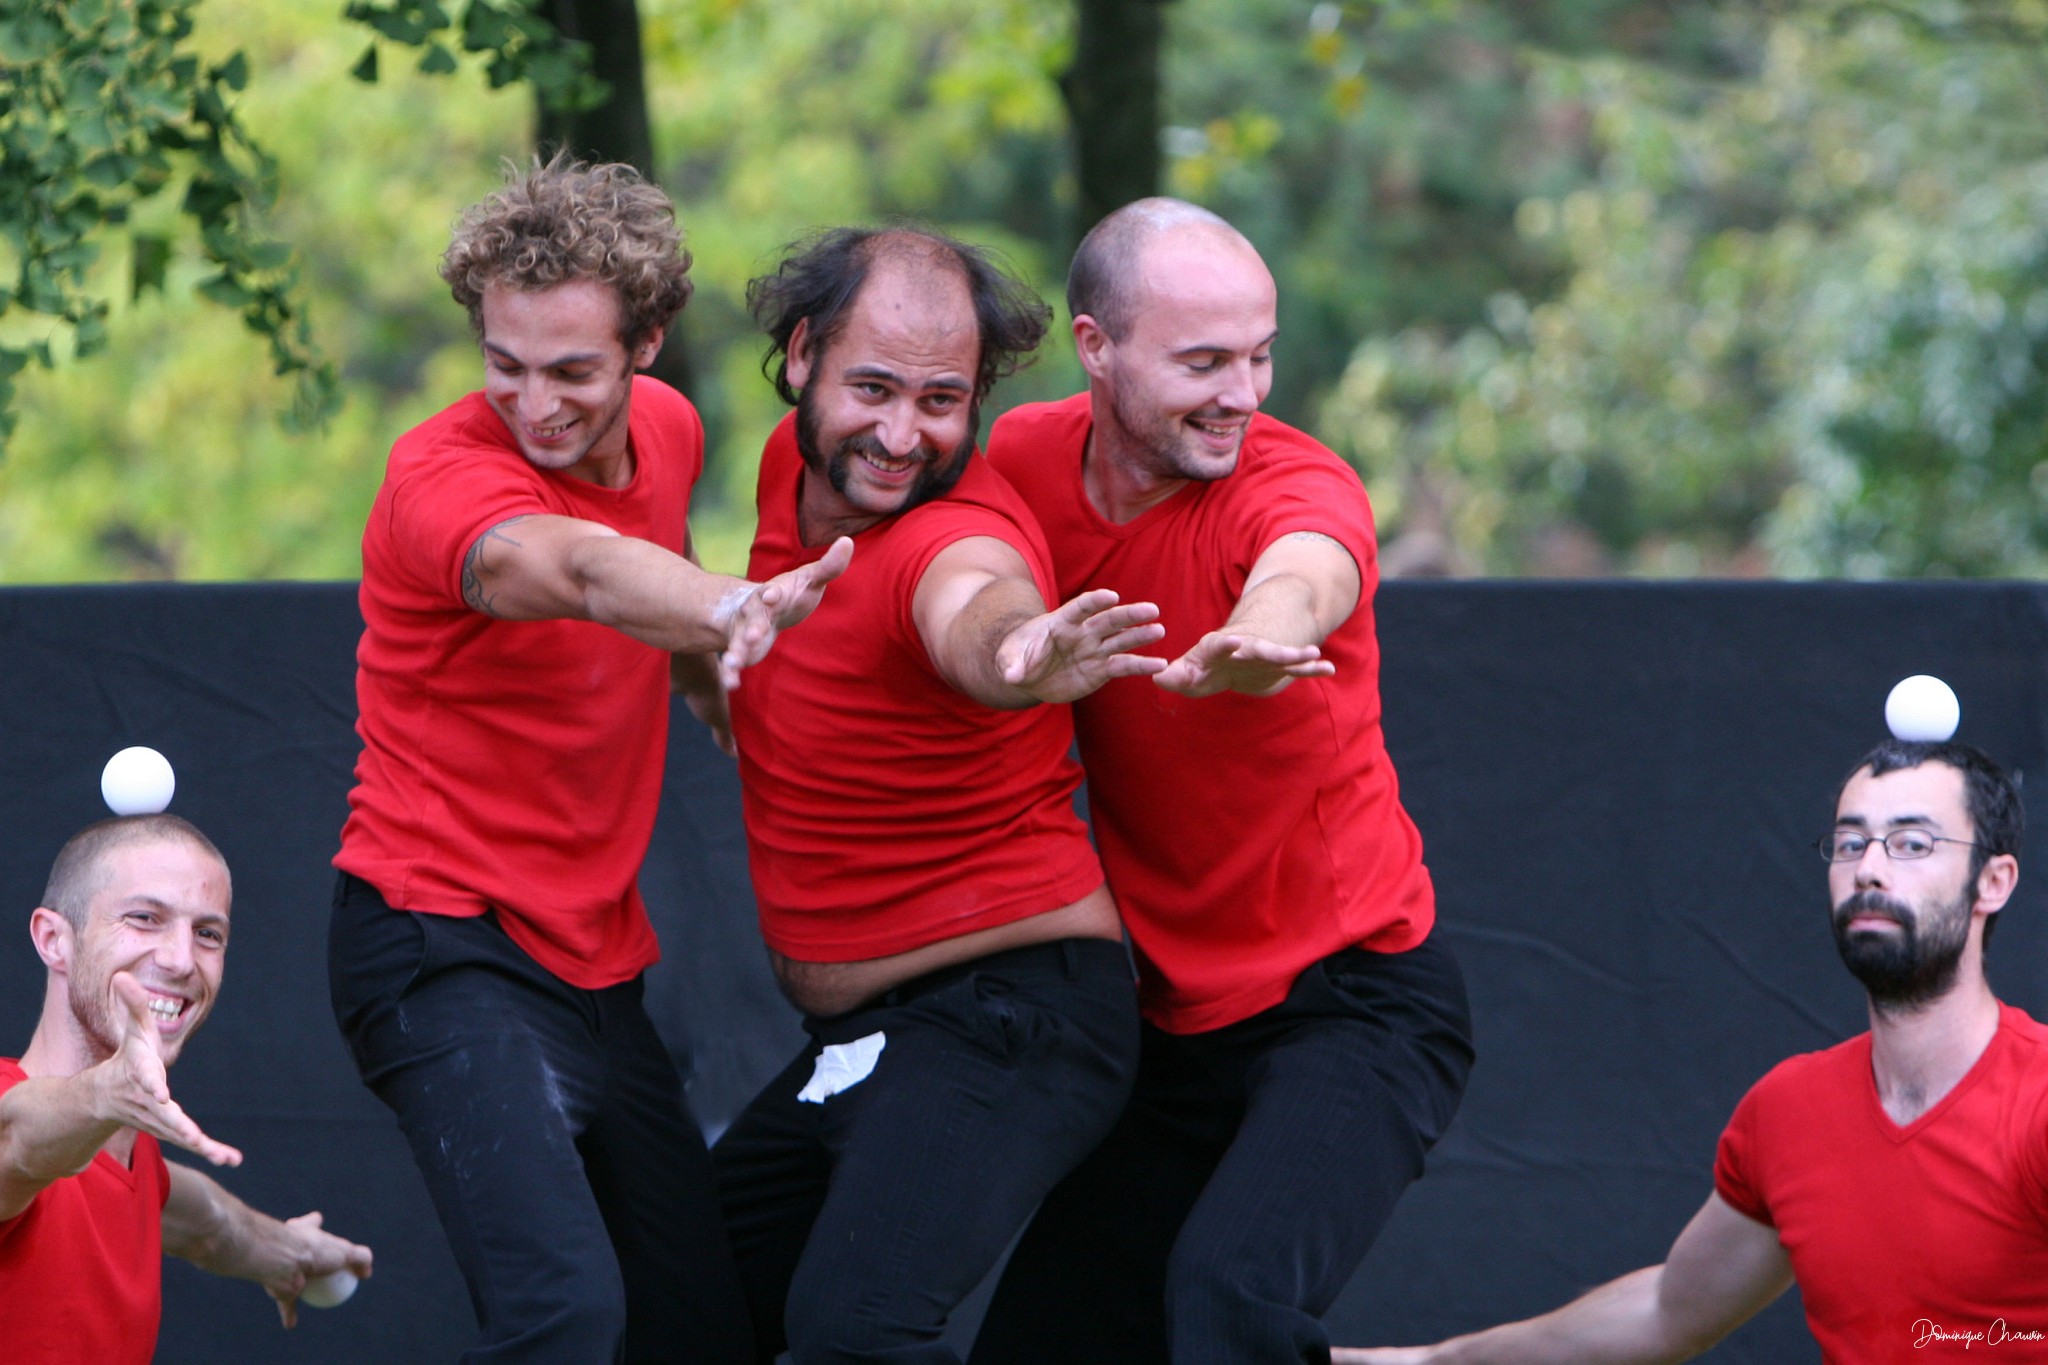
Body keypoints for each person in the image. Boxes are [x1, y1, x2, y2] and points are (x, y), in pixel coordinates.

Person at [328, 155, 848, 1364]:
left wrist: (704, 678)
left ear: (646, 346)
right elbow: (578, 568)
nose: (535, 403)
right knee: (562, 1313)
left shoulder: (667, 428)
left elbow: (647, 569)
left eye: (571, 371)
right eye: (503, 365)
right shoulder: (439, 480)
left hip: (593, 962)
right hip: (438, 943)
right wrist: (730, 606)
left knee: (696, 1328)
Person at [969, 199, 1476, 1365]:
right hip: (1170, 1025)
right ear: (1096, 348)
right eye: (1202, 363)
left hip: (1354, 1004)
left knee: (1228, 1305)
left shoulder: (1290, 482)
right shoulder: (1022, 461)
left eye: (1259, 356)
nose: (1242, 394)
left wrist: (1264, 630)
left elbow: (1307, 565)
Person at [708, 226, 1165, 1364]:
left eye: (942, 400)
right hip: (867, 1037)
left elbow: (974, 610)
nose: (902, 436)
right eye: (873, 388)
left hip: (1013, 1016)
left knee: (854, 1334)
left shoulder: (949, 536)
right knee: (677, 1309)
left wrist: (1020, 654)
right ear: (802, 356)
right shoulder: (788, 472)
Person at [1338, 738, 2048, 1364]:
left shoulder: (2037, 1101)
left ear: (1994, 882)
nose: (1869, 868)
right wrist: (1435, 1360)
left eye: (1912, 844)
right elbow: (1667, 1312)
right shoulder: (1790, 1112)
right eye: (1850, 841)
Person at [2, 815, 373, 1365]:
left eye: (207, 934)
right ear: (54, 940)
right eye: (144, 918)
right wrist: (102, 1094)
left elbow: (207, 1227)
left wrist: (289, 1253)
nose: (180, 960)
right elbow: (16, 1142)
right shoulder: (20, 1121)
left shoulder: (138, 1162)